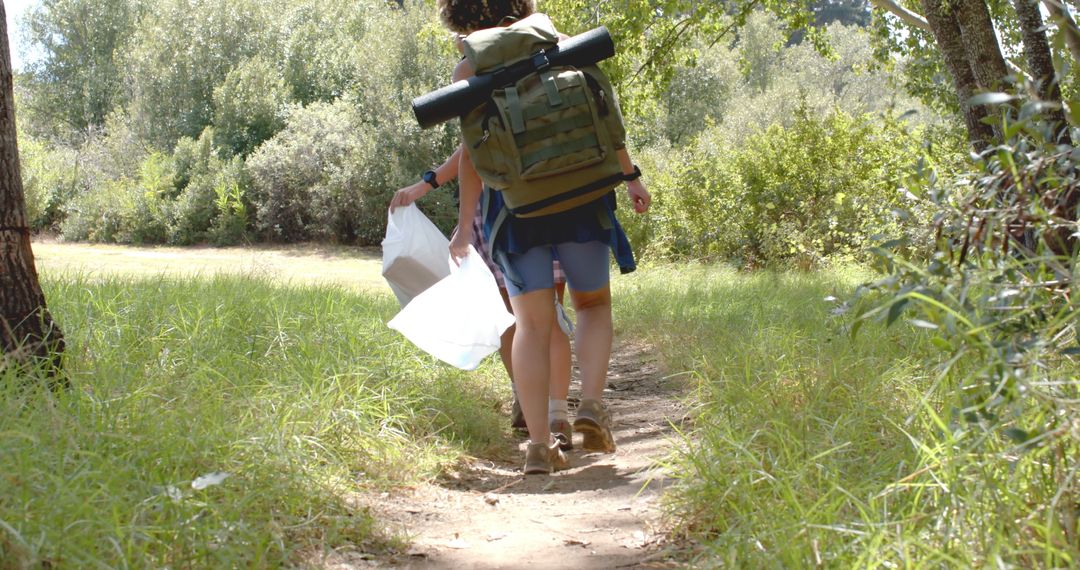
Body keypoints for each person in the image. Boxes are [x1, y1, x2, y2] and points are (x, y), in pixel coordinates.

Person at [438, 0, 652, 475]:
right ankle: (591, 405)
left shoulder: (468, 69)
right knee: (592, 305)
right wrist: (630, 176)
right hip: (582, 194)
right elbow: (605, 116)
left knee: (531, 326)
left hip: (518, 210)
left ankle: (539, 446)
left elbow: (473, 154)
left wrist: (465, 225)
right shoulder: (557, 43)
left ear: (462, 19)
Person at [390, 146, 577, 449]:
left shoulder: (482, 112)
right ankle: (555, 415)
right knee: (548, 314)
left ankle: (528, 404)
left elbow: (472, 147)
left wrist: (427, 184)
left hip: (496, 206)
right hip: (547, 196)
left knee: (511, 315)